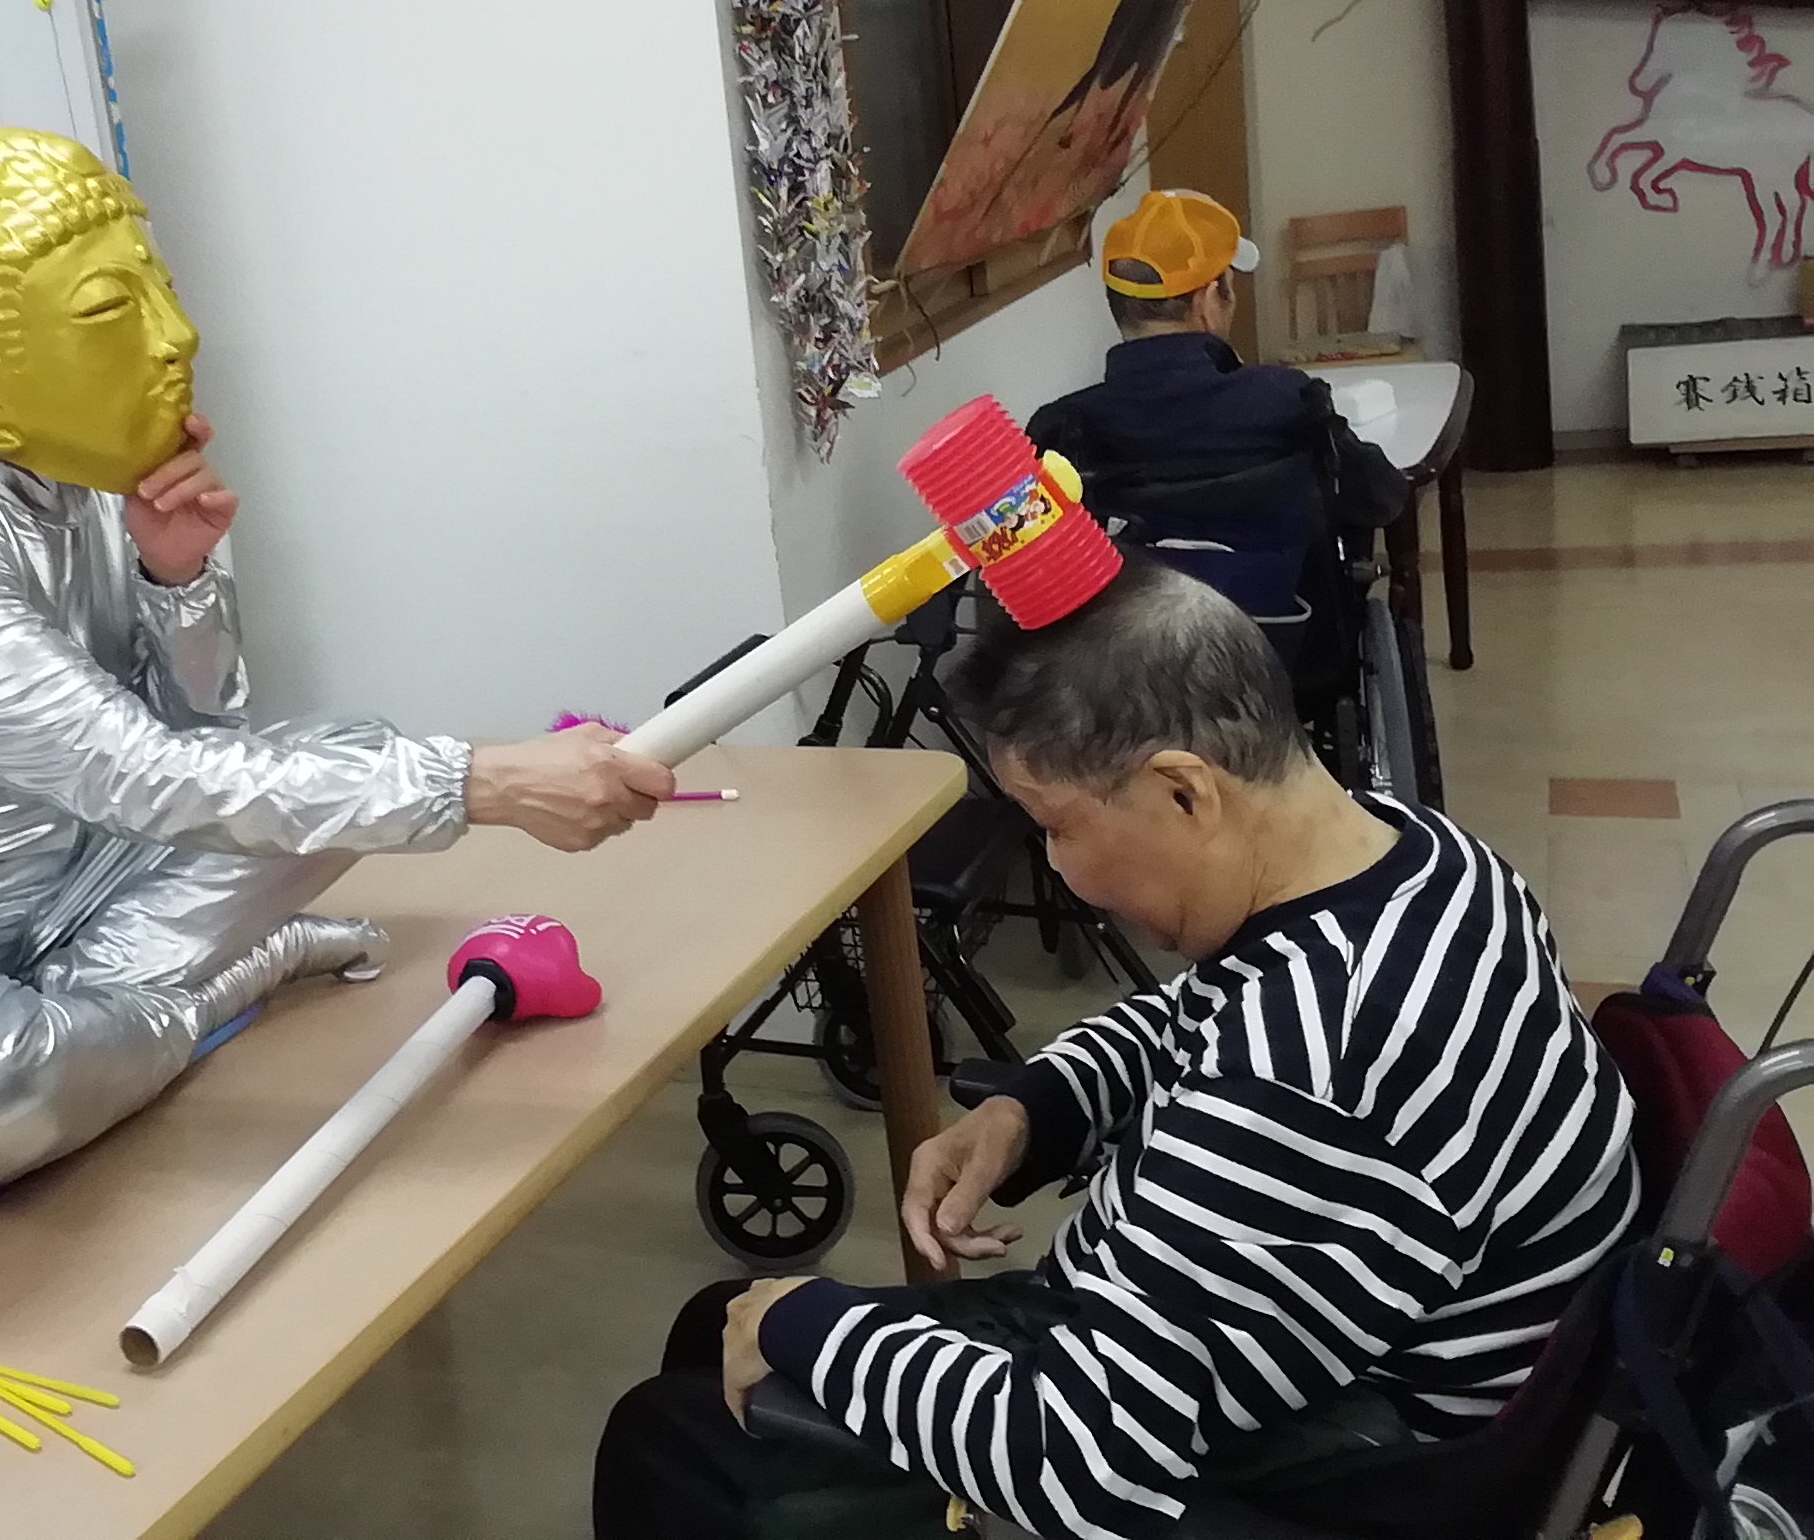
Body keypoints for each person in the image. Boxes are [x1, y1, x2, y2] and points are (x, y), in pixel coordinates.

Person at [0, 128, 673, 1212]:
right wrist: (486, 781)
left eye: (162, 290)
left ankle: (96, 1025)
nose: (176, 336)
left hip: (64, 887)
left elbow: (203, 736)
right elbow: (145, 776)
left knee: (348, 754)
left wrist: (171, 577)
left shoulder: (72, 469)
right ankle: (212, 988)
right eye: (111, 311)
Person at [594, 559, 1636, 1540]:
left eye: (1055, 826)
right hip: (1320, 1355)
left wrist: (809, 1329)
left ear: (1185, 791)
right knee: (724, 1329)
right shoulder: (1429, 862)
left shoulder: (1299, 1079)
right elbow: (1195, 1016)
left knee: (670, 1436)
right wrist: (1034, 1111)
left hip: (1324, 1468)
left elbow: (1083, 1455)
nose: (1057, 871)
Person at [1026, 191, 1406, 643]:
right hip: (1284, 653)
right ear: (1207, 302)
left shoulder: (1063, 425)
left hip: (1123, 656)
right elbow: (1381, 497)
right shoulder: (1286, 398)